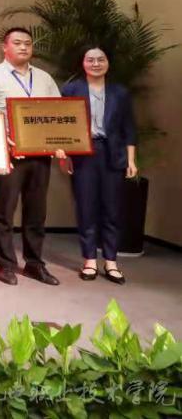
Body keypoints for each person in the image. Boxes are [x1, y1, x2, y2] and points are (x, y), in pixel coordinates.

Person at [0, 27, 63, 286]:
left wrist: (60, 142)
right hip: (9, 154)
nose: (24, 47)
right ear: (5, 47)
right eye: (17, 43)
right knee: (5, 210)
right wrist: (1, 138)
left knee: (37, 211)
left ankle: (34, 264)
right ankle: (6, 265)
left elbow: (59, 111)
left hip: (41, 153)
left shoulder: (44, 78)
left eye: (27, 43)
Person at [60, 45, 136, 285]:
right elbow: (61, 124)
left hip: (113, 154)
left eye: (100, 59)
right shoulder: (71, 89)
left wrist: (131, 159)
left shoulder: (120, 92)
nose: (95, 64)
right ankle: (90, 260)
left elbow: (129, 128)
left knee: (113, 210)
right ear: (83, 63)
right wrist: (64, 155)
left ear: (108, 63)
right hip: (83, 153)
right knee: (86, 207)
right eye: (90, 59)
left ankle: (111, 261)